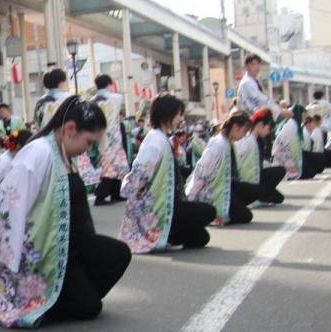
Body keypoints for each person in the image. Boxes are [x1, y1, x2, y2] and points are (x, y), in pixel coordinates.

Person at [0, 96, 131, 327]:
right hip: (49, 254)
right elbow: (10, 203)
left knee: (119, 253)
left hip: (73, 248)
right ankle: (57, 299)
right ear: (71, 129)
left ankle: (72, 293)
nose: (89, 149)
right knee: (90, 307)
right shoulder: (39, 152)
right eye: (89, 141)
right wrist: (13, 256)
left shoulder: (63, 153)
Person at [120, 94, 217, 253]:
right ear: (168, 114)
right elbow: (140, 172)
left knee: (201, 238)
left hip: (168, 202)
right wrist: (132, 191)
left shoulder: (160, 138)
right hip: (160, 206)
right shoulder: (155, 140)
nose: (180, 119)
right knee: (208, 212)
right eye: (179, 114)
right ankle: (166, 232)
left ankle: (170, 233)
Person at [186, 110, 255, 226]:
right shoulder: (218, 143)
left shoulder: (227, 142)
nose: (244, 136)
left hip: (223, 189)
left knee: (248, 207)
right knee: (245, 215)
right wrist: (191, 196)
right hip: (212, 193)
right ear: (236, 127)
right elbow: (202, 169)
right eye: (244, 131)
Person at [90, 74, 130, 205]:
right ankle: (101, 195)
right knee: (114, 165)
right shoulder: (117, 98)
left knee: (106, 164)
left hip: (99, 135)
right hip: (114, 135)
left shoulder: (92, 101)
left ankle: (115, 193)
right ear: (109, 83)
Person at [238, 108, 286, 205]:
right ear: (260, 125)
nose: (269, 132)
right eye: (268, 128)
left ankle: (261, 193)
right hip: (248, 180)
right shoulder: (248, 140)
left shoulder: (258, 140)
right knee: (277, 195)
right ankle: (257, 195)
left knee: (279, 197)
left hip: (256, 176)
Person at [273, 103, 306, 180]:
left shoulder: (295, 124)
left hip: (287, 151)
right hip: (283, 151)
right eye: (303, 115)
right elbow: (286, 142)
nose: (305, 117)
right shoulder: (292, 125)